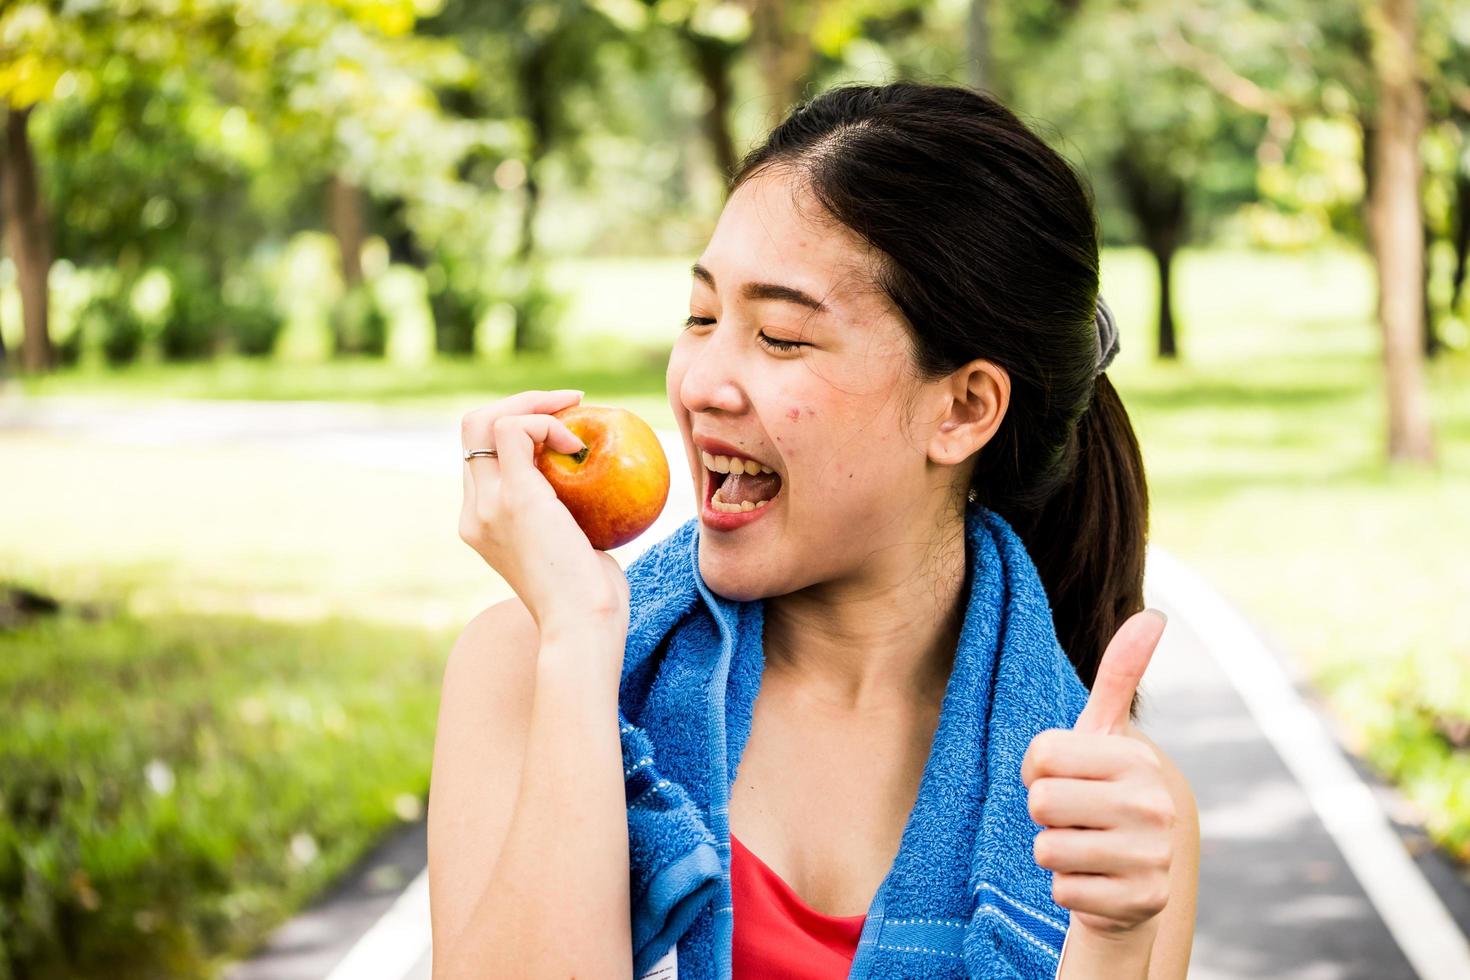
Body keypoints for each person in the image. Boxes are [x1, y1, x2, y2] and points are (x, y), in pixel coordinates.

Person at [430, 81, 1200, 979]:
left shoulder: (1111, 810)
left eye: (782, 337)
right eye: (702, 316)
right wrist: (574, 639)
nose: (703, 383)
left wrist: (1111, 940)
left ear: (962, 407)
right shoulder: (532, 665)